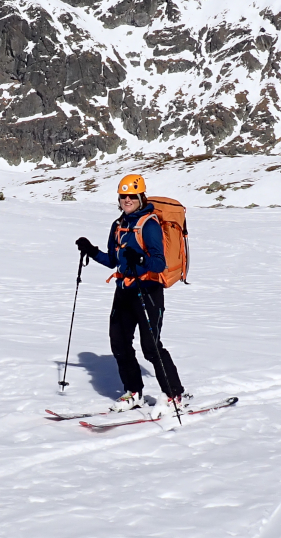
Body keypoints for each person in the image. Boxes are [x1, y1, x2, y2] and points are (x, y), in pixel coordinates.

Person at [75, 174, 185, 416]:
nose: (127, 200)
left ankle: (174, 394)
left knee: (151, 347)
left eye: (132, 196)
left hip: (148, 292)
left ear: (141, 197)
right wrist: (91, 251)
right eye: (123, 196)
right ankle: (134, 392)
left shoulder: (150, 225)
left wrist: (142, 260)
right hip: (124, 291)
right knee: (120, 343)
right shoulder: (118, 225)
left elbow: (159, 263)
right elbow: (113, 261)